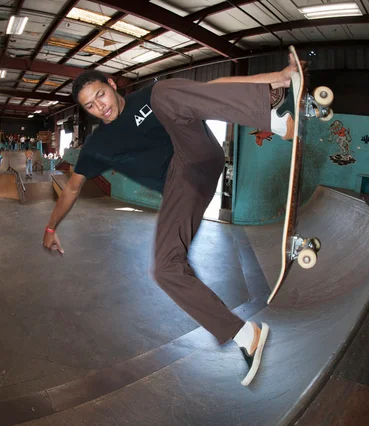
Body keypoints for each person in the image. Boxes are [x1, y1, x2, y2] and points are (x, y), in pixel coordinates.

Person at [42, 55, 302, 385]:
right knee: (164, 268)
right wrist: (51, 227)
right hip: (181, 186)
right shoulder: (97, 145)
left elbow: (211, 90)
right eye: (90, 106)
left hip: (197, 152)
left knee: (164, 92)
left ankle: (272, 119)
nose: (100, 107)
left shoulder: (149, 97)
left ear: (112, 84)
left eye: (101, 95)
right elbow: (71, 190)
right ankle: (244, 336)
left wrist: (276, 77)